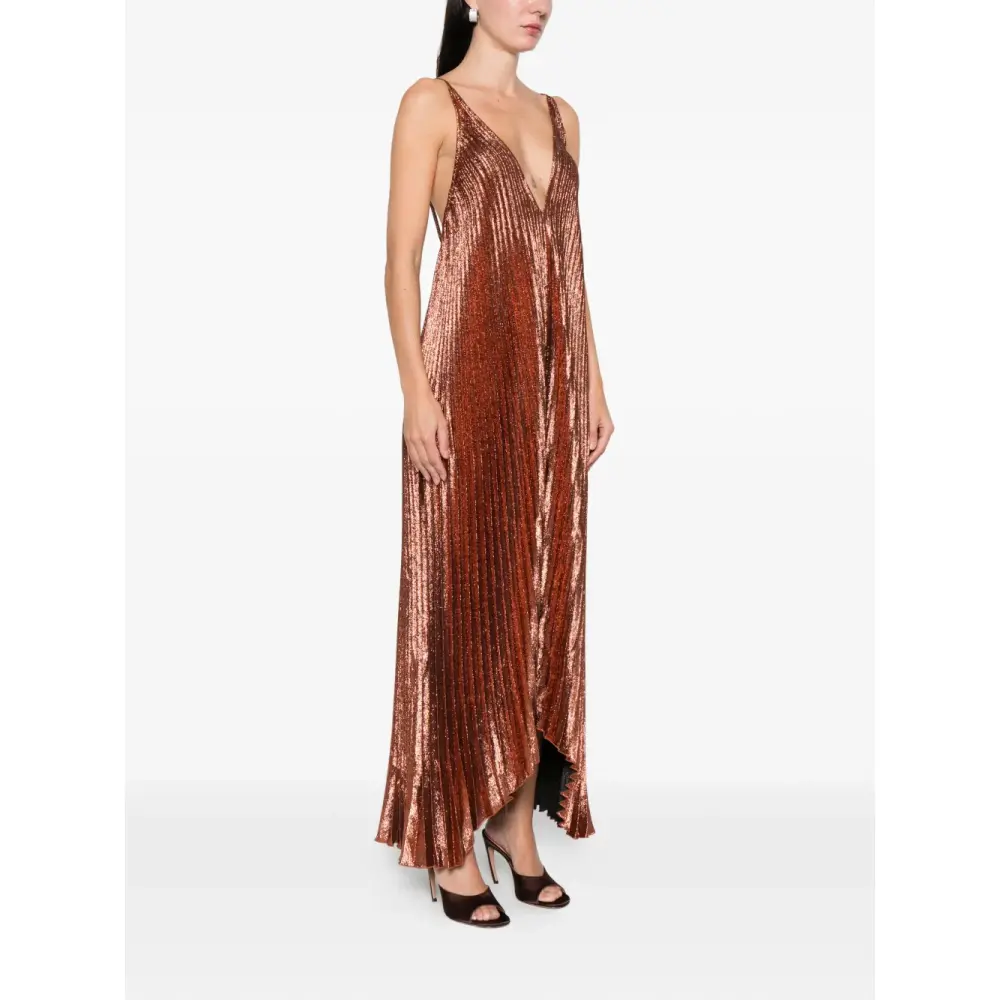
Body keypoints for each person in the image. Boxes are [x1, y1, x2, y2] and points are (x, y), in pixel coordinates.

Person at [374, 0, 614, 928]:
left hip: (552, 394)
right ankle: (447, 836)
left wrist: (593, 383)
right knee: (462, 597)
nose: (538, 4)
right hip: (464, 386)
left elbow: (570, 265)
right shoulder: (430, 103)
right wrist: (415, 392)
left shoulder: (563, 117)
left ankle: (514, 823)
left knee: (541, 594)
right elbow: (400, 262)